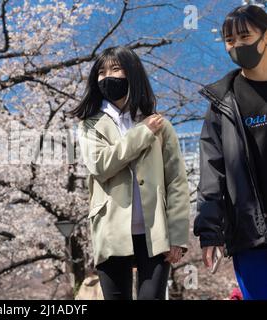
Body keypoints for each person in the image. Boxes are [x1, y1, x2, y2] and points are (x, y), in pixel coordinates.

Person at [71, 46, 190, 300]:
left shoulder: (160, 125)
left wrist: (178, 235)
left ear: (132, 73)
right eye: (101, 72)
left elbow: (177, 181)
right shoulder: (90, 125)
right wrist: (142, 134)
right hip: (111, 231)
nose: (107, 76)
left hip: (155, 233)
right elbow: (101, 165)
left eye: (116, 69)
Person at [194, 5, 267, 300]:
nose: (236, 45)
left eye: (244, 36)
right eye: (229, 40)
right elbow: (212, 170)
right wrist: (209, 231)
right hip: (250, 233)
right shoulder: (222, 102)